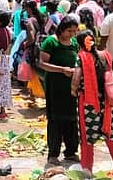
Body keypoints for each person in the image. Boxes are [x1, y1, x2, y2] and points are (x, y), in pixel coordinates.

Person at [70, 30, 113, 179]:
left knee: (87, 139)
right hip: (107, 104)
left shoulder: (81, 57)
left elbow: (76, 79)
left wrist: (73, 90)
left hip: (89, 103)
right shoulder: (106, 55)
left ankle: (87, 172)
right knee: (112, 136)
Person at [40, 16, 81, 165]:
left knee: (71, 119)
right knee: (56, 119)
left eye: (74, 31)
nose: (72, 34)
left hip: (71, 86)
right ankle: (53, 153)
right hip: (55, 86)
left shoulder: (75, 42)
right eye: (69, 31)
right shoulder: (51, 42)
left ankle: (71, 151)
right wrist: (61, 69)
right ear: (62, 29)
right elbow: (42, 63)